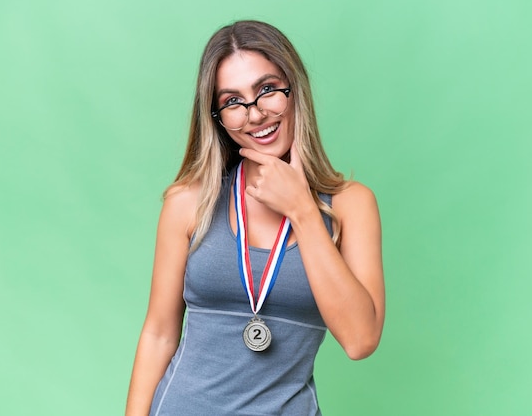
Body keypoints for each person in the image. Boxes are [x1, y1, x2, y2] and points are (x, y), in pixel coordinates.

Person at [125, 20, 385, 416]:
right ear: (217, 117)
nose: (255, 114)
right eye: (233, 102)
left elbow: (360, 340)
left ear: (294, 90)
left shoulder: (351, 205)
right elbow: (159, 334)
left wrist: (302, 210)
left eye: (267, 90)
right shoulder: (189, 201)